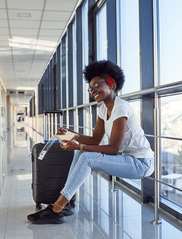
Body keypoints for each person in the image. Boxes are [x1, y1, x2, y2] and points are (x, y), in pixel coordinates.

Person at [27, 60, 154, 224]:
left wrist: (78, 145)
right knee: (82, 152)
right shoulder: (103, 108)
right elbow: (95, 139)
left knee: (87, 157)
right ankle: (68, 202)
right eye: (91, 88)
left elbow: (113, 149)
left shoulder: (121, 108)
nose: (93, 91)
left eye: (97, 86)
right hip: (127, 159)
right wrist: (69, 135)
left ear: (112, 84)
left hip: (141, 163)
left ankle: (56, 209)